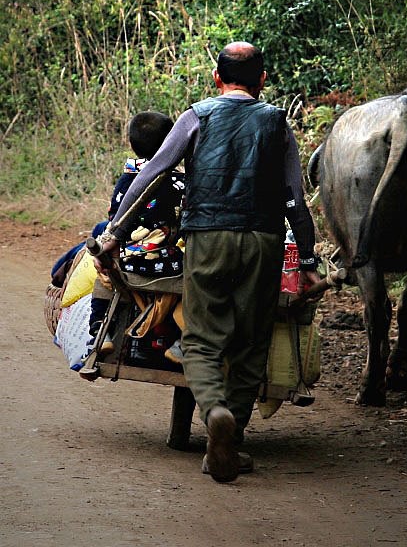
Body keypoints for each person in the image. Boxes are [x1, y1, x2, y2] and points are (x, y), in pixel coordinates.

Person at [95, 42, 321, 483]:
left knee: (200, 340)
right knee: (251, 342)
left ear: (217, 79)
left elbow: (153, 172)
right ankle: (230, 441)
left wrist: (115, 234)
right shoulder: (276, 122)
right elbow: (295, 198)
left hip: (207, 238)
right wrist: (308, 260)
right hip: (264, 240)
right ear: (262, 81)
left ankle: (214, 411)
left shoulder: (197, 115)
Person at [86, 111, 185, 360]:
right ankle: (185, 340)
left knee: (103, 272)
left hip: (126, 260)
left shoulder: (125, 179)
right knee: (200, 273)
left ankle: (99, 329)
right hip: (166, 264)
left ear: (131, 144)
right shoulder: (179, 181)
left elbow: (113, 217)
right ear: (173, 143)